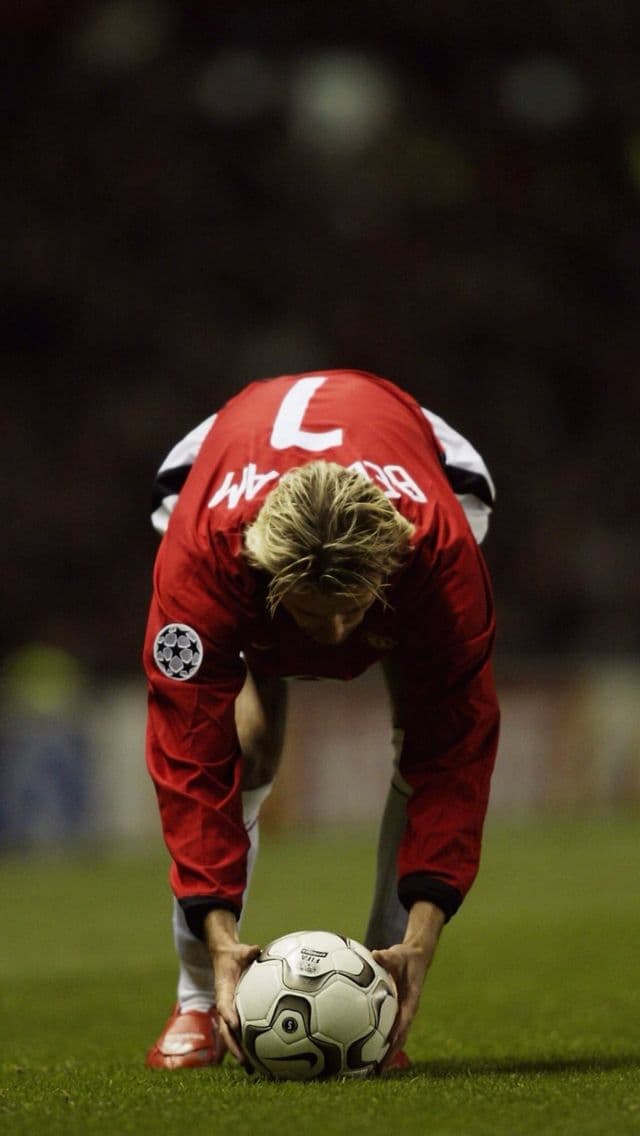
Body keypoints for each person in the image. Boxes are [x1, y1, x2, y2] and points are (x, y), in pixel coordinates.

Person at [143, 369, 499, 1072]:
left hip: (427, 462)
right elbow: (188, 758)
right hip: (214, 468)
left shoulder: (438, 557)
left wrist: (420, 941)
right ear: (266, 579)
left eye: (352, 610)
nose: (337, 637)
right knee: (249, 745)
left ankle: (384, 983)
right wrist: (218, 940)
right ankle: (193, 1002)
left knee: (425, 728)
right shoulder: (204, 562)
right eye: (315, 615)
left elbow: (457, 752)